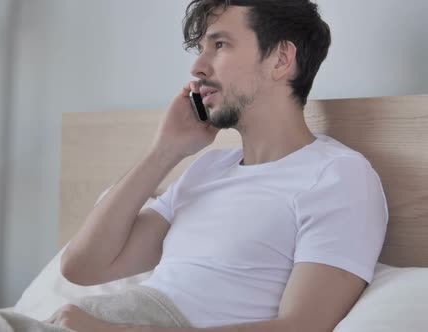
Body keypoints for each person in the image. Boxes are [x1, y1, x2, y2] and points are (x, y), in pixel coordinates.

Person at [56, 1, 388, 331]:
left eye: (219, 45)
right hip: (119, 312)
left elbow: (300, 327)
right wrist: (164, 152)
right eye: (201, 49)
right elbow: (82, 268)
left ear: (281, 59)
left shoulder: (338, 177)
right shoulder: (209, 168)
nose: (198, 67)